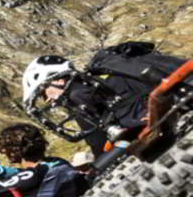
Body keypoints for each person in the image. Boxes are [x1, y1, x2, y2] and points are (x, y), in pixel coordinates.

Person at [22, 43, 188, 155]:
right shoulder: (89, 103)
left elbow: (99, 148)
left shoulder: (84, 102)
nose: (46, 101)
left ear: (57, 80)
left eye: (44, 93)